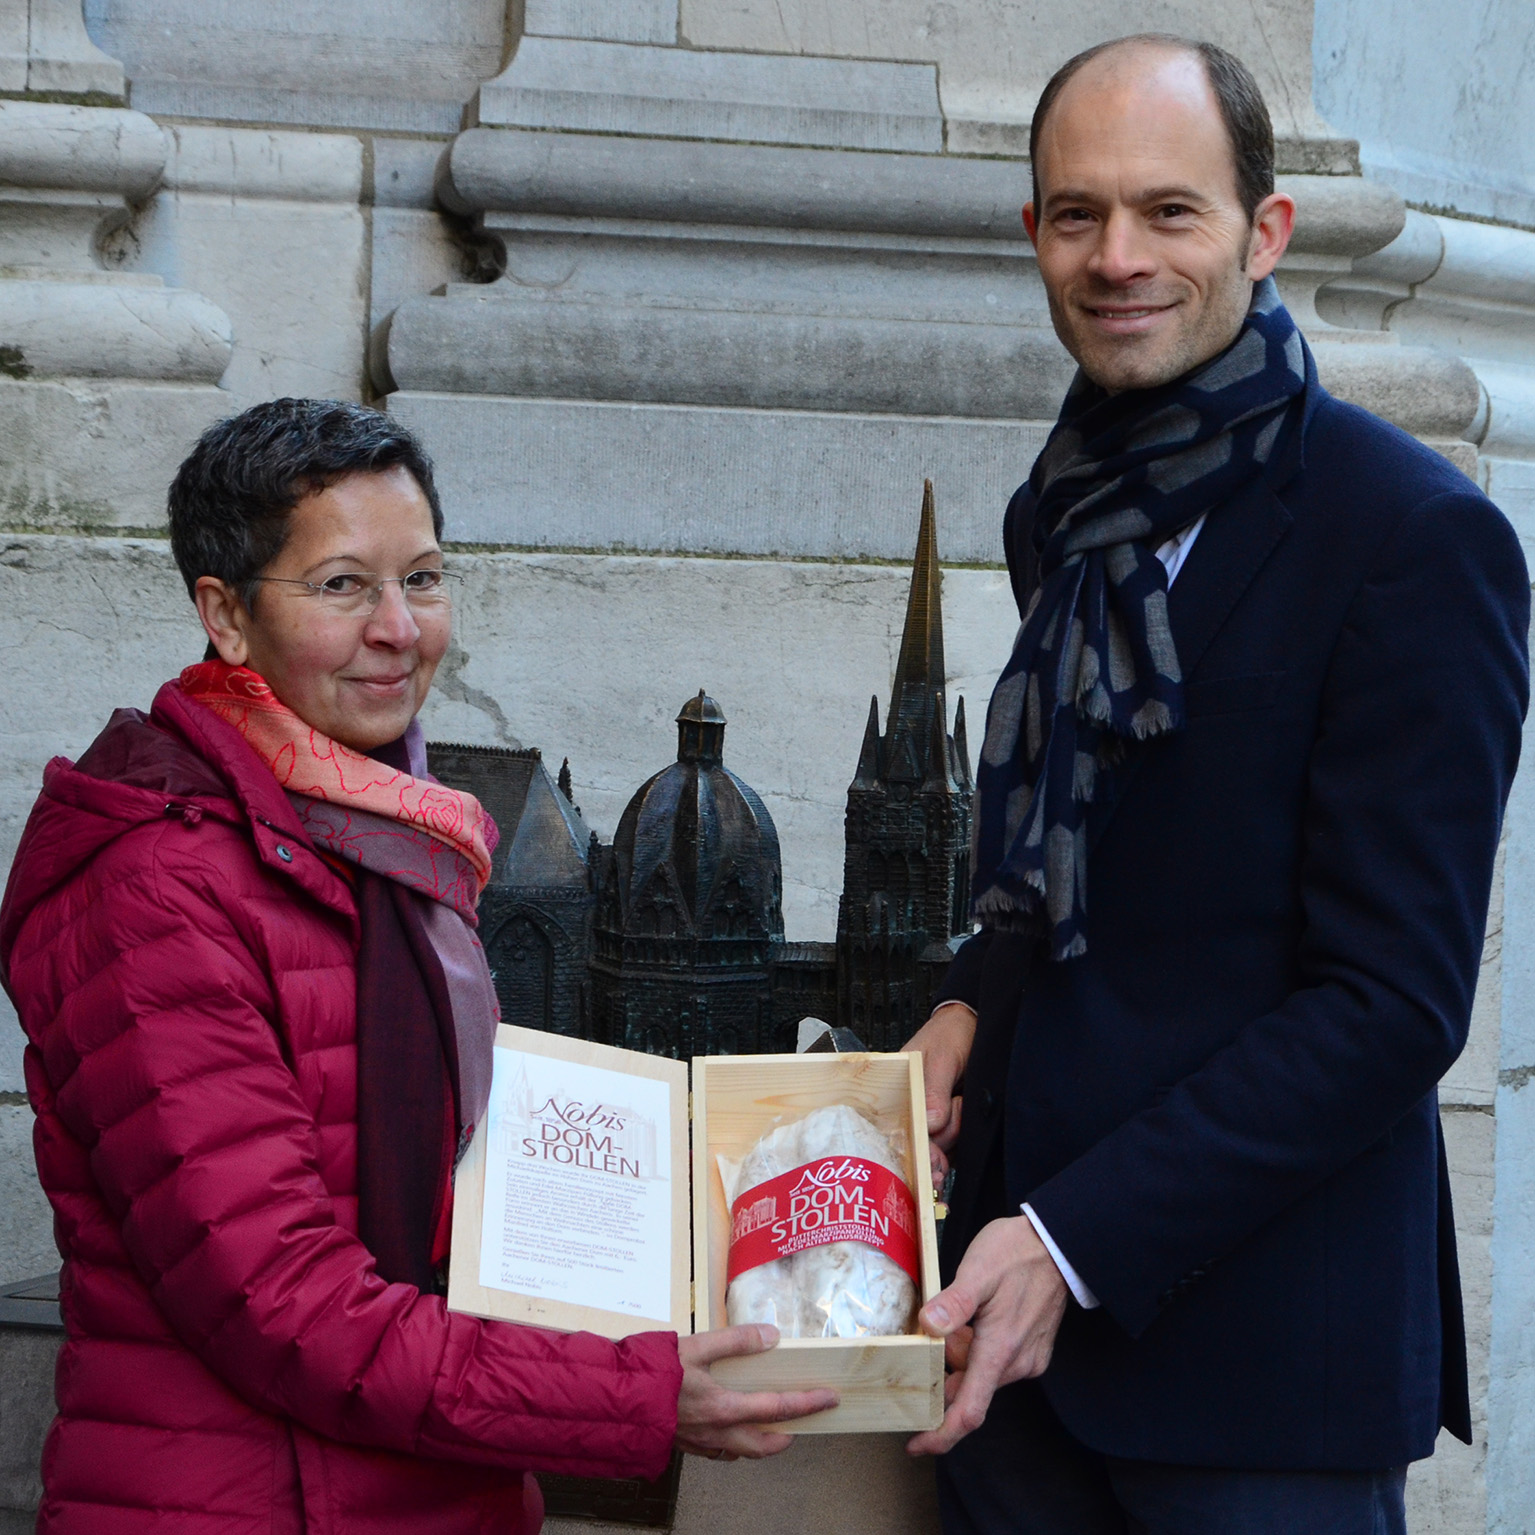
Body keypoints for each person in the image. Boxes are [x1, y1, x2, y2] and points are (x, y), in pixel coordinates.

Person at [0, 399, 834, 1535]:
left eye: (425, 577)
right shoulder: (154, 886)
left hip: (433, 1484)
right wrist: (631, 1394)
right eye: (341, 585)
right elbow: (280, 1302)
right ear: (226, 616)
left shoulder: (392, 839)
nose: (400, 627)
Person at [901, 34, 1530, 1535]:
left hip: (1257, 1376)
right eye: (1074, 214)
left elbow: (1386, 1003)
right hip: (1005, 1366)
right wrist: (964, 1001)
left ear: (1263, 233)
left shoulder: (1412, 539)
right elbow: (1075, 848)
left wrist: (1069, 1240)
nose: (1115, 256)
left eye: (1166, 212)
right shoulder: (1061, 509)